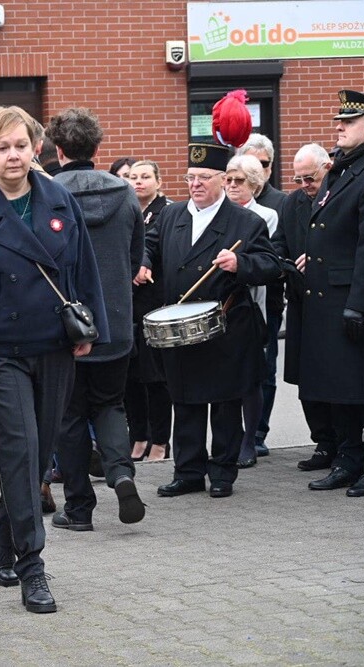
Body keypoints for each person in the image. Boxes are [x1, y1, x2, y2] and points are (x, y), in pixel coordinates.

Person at [0, 105, 107, 612]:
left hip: (54, 344)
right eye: (1, 148)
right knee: (21, 448)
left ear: (36, 147)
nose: (12, 156)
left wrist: (91, 327)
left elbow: (83, 266)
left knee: (36, 453)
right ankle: (33, 566)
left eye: (20, 146)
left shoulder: (58, 198)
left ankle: (4, 536)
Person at [137, 140, 281, 499]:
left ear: (223, 179)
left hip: (225, 326)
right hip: (182, 327)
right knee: (184, 400)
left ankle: (222, 472)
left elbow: (271, 265)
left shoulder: (245, 221)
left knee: (225, 404)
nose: (195, 184)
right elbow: (149, 244)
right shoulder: (172, 215)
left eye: (204, 177)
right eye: (190, 177)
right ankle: (188, 471)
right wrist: (144, 261)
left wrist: (240, 263)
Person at [45, 108, 145, 531]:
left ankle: (79, 507)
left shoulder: (46, 194)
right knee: (110, 404)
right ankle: (121, 473)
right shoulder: (125, 192)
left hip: (63, 326)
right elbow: (135, 257)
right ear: (97, 148)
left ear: (59, 149)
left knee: (69, 417)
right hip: (115, 321)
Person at [301, 90, 364, 498]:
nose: (339, 127)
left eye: (348, 122)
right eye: (339, 121)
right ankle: (347, 460)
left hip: (355, 299)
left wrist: (359, 305)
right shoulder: (342, 168)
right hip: (329, 296)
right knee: (340, 386)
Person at [272, 143, 338, 472]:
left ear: (327, 168)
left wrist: (318, 258)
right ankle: (323, 443)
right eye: (298, 179)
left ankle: (346, 445)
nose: (304, 185)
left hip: (334, 303)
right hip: (302, 302)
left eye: (309, 178)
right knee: (307, 379)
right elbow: (278, 245)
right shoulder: (292, 202)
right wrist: (283, 263)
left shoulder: (340, 197)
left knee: (336, 377)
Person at [223, 154, 278, 468]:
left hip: (253, 303)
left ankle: (251, 438)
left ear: (255, 184)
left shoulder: (265, 216)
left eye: (239, 181)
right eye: (228, 179)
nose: (232, 185)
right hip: (221, 307)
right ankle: (230, 438)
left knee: (251, 375)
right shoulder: (219, 214)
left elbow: (263, 259)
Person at [238, 134, 288, 457]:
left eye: (263, 163)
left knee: (264, 367)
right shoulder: (228, 201)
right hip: (236, 299)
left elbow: (282, 250)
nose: (256, 167)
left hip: (267, 297)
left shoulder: (280, 204)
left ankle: (258, 432)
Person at [125, 160, 172, 463]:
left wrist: (144, 265)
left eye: (145, 176)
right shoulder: (125, 209)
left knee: (155, 378)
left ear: (158, 181)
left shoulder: (166, 212)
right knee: (131, 378)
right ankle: (138, 436)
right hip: (128, 301)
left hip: (155, 300)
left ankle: (160, 440)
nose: (138, 182)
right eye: (133, 177)